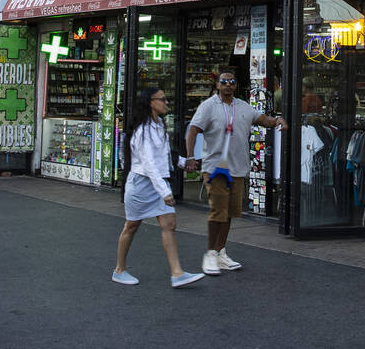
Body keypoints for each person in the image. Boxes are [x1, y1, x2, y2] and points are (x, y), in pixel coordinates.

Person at [184, 69, 286, 275]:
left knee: (229, 213)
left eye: (232, 81)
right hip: (216, 168)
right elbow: (193, 129)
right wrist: (190, 157)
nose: (228, 85)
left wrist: (278, 120)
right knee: (217, 211)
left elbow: (263, 119)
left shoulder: (243, 107)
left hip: (238, 168)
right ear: (218, 85)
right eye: (224, 82)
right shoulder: (208, 107)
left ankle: (221, 251)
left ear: (236, 85)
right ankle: (210, 253)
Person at [112, 88, 203, 288]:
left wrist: (183, 162)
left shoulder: (158, 124)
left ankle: (177, 273)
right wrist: (165, 191)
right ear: (151, 102)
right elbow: (149, 164)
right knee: (131, 226)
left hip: (157, 181)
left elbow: (162, 155)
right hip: (141, 184)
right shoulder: (142, 130)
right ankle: (119, 270)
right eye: (162, 99)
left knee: (169, 224)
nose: (166, 103)